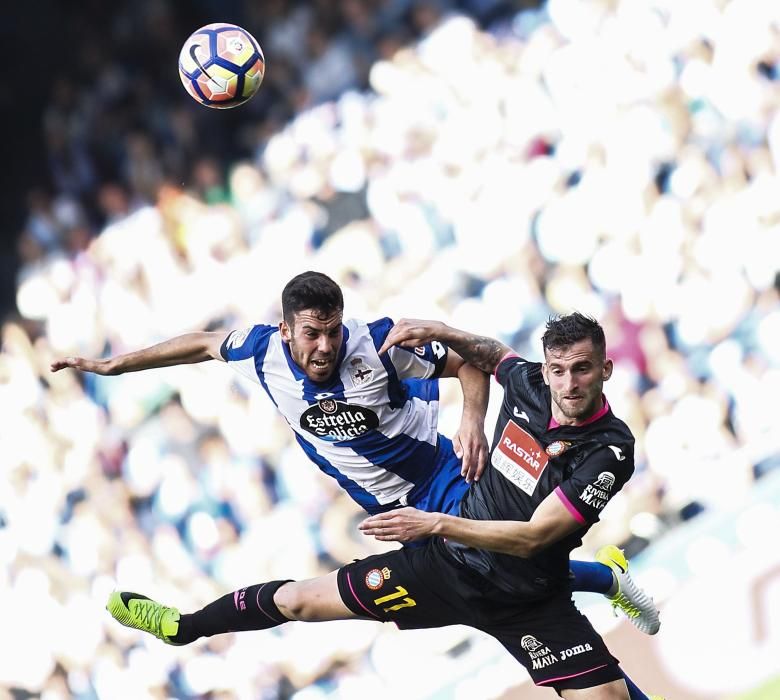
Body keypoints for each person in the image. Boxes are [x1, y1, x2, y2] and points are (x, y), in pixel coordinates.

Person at [52, 271, 657, 628]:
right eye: (312, 333)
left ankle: (607, 582)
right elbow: (202, 344)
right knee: (489, 577)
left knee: (500, 564)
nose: (325, 345)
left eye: (333, 329)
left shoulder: (377, 346)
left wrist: (472, 420)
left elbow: (469, 364)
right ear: (286, 329)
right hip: (385, 506)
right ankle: (606, 577)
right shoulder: (260, 353)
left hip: (444, 479)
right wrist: (114, 366)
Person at [107, 313, 663, 699]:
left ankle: (601, 578)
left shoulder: (609, 449)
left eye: (582, 370)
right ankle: (185, 626)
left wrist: (438, 523)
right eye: (557, 370)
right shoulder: (530, 383)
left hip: (525, 594)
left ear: (606, 371)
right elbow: (490, 355)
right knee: (302, 601)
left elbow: (536, 537)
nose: (567, 383)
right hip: (443, 568)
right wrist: (441, 331)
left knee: (607, 695)